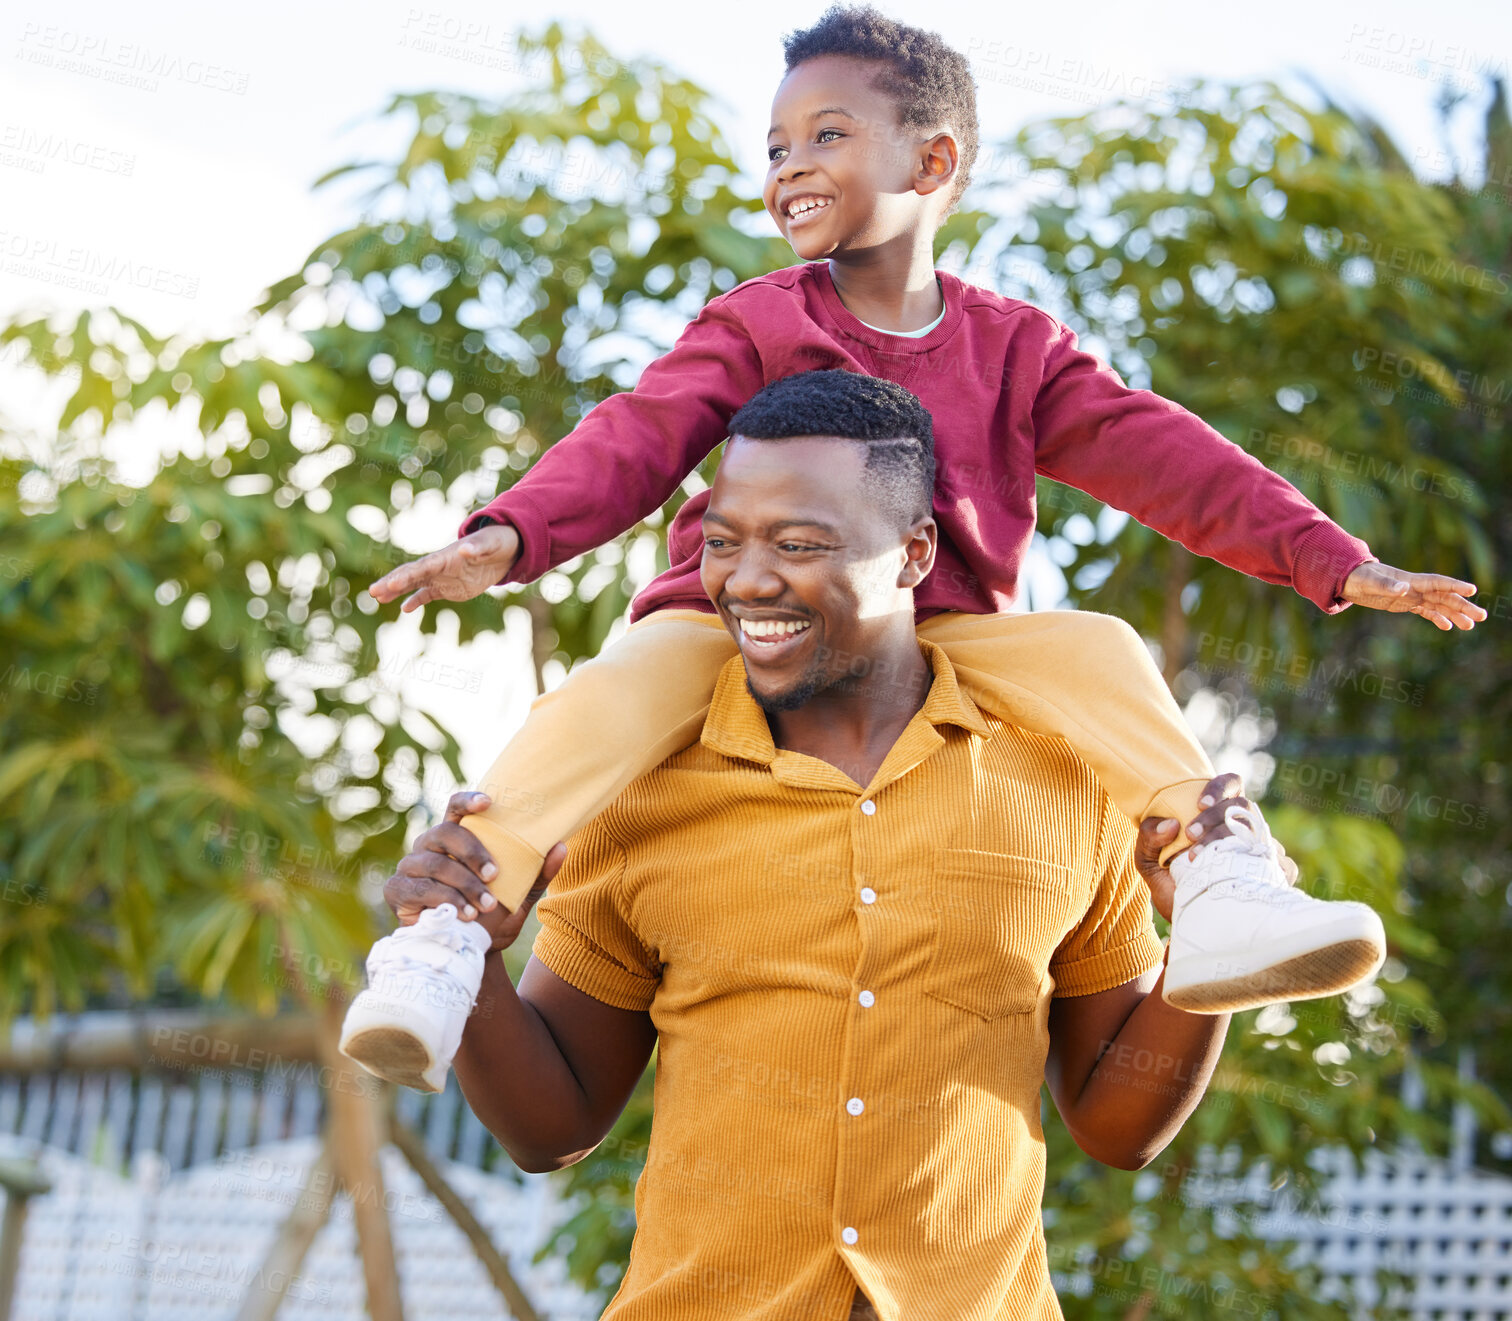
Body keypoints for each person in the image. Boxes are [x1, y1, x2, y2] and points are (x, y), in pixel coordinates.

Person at [341, 6, 1481, 1091]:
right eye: (777, 143)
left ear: (931, 165)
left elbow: (1165, 455)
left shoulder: (1018, 350)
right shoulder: (759, 321)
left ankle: (1220, 878)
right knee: (611, 694)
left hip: (941, 636)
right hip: (732, 618)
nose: (789, 163)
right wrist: (509, 533)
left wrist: (1335, 559)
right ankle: (446, 936)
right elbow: (640, 429)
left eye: (826, 135)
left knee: (1101, 648)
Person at [371, 376, 1291, 1319]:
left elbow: (1117, 1123)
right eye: (724, 541)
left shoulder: (1061, 778)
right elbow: (550, 1127)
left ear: (914, 554)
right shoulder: (640, 791)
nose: (749, 578)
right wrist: (476, 960)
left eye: (799, 544)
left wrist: (1204, 956)